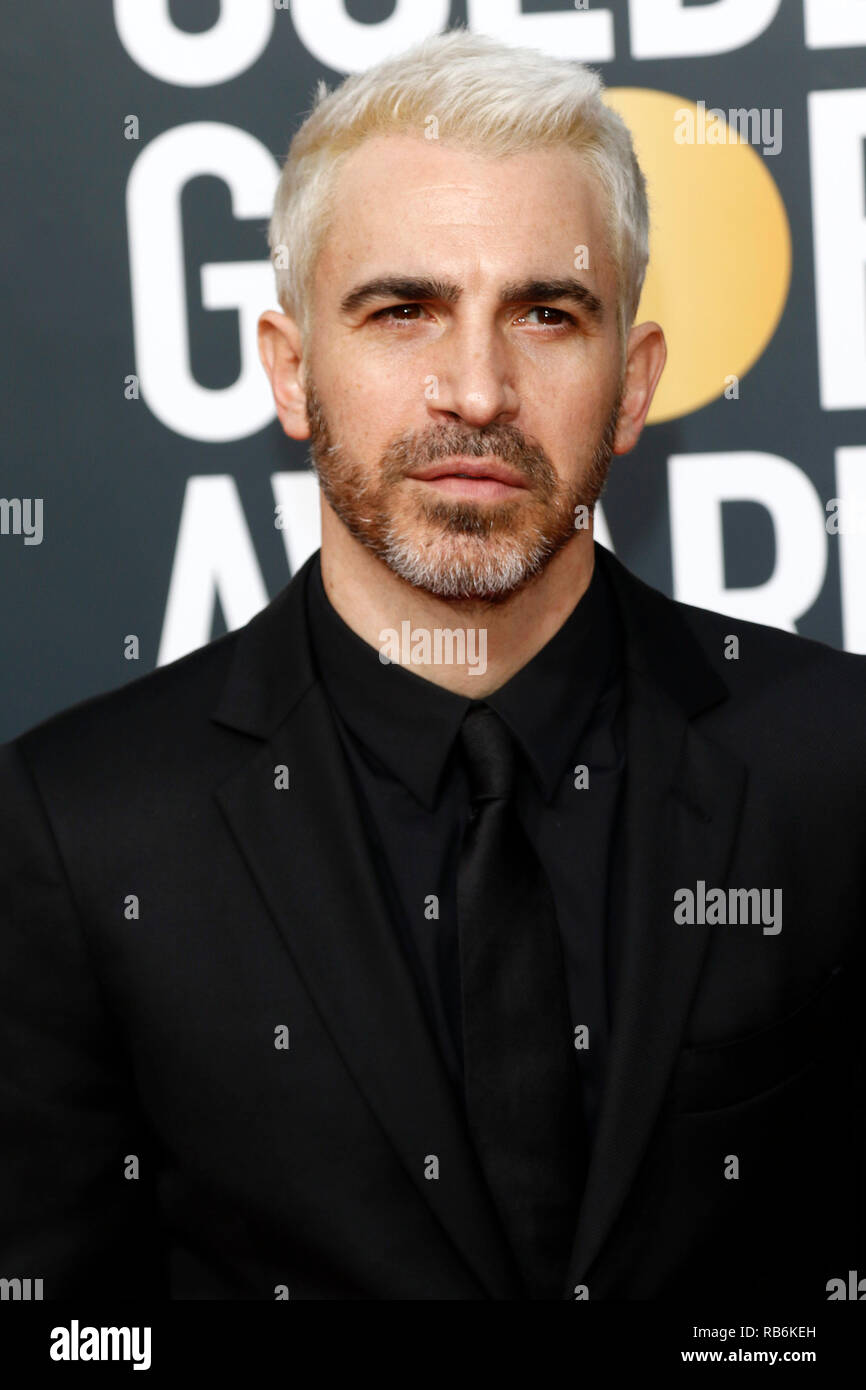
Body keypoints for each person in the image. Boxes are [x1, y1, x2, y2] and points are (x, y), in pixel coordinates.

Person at [1, 29, 863, 1302]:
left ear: (631, 387)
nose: (475, 388)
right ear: (291, 371)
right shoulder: (81, 829)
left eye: (545, 313)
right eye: (403, 310)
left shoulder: (837, 762)